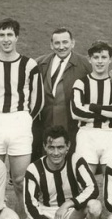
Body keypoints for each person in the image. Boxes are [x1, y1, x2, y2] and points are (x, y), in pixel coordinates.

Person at [0, 18, 43, 217]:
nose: (6, 39)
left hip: (20, 122)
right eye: (2, 35)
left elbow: (38, 99)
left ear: (17, 37)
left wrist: (26, 118)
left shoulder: (29, 65)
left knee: (20, 180)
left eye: (10, 35)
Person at [19, 125, 103, 219]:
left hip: (69, 212)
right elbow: (29, 204)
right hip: (45, 210)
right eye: (51, 147)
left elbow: (92, 188)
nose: (56, 153)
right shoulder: (34, 168)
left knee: (95, 206)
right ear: (44, 147)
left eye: (60, 147)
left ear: (68, 146)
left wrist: (68, 204)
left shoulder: (75, 160)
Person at [31, 28, 92, 161]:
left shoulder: (85, 64)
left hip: (72, 125)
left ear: (72, 43)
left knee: (70, 161)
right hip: (45, 123)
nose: (61, 46)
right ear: (51, 45)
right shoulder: (40, 63)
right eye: (57, 43)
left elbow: (101, 75)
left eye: (65, 42)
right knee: (46, 160)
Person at [71, 40, 112, 174]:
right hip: (87, 134)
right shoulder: (80, 83)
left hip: (111, 135)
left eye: (104, 57)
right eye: (96, 57)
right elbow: (76, 112)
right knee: (85, 179)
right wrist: (108, 112)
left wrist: (92, 107)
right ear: (89, 59)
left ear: (110, 59)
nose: (100, 61)